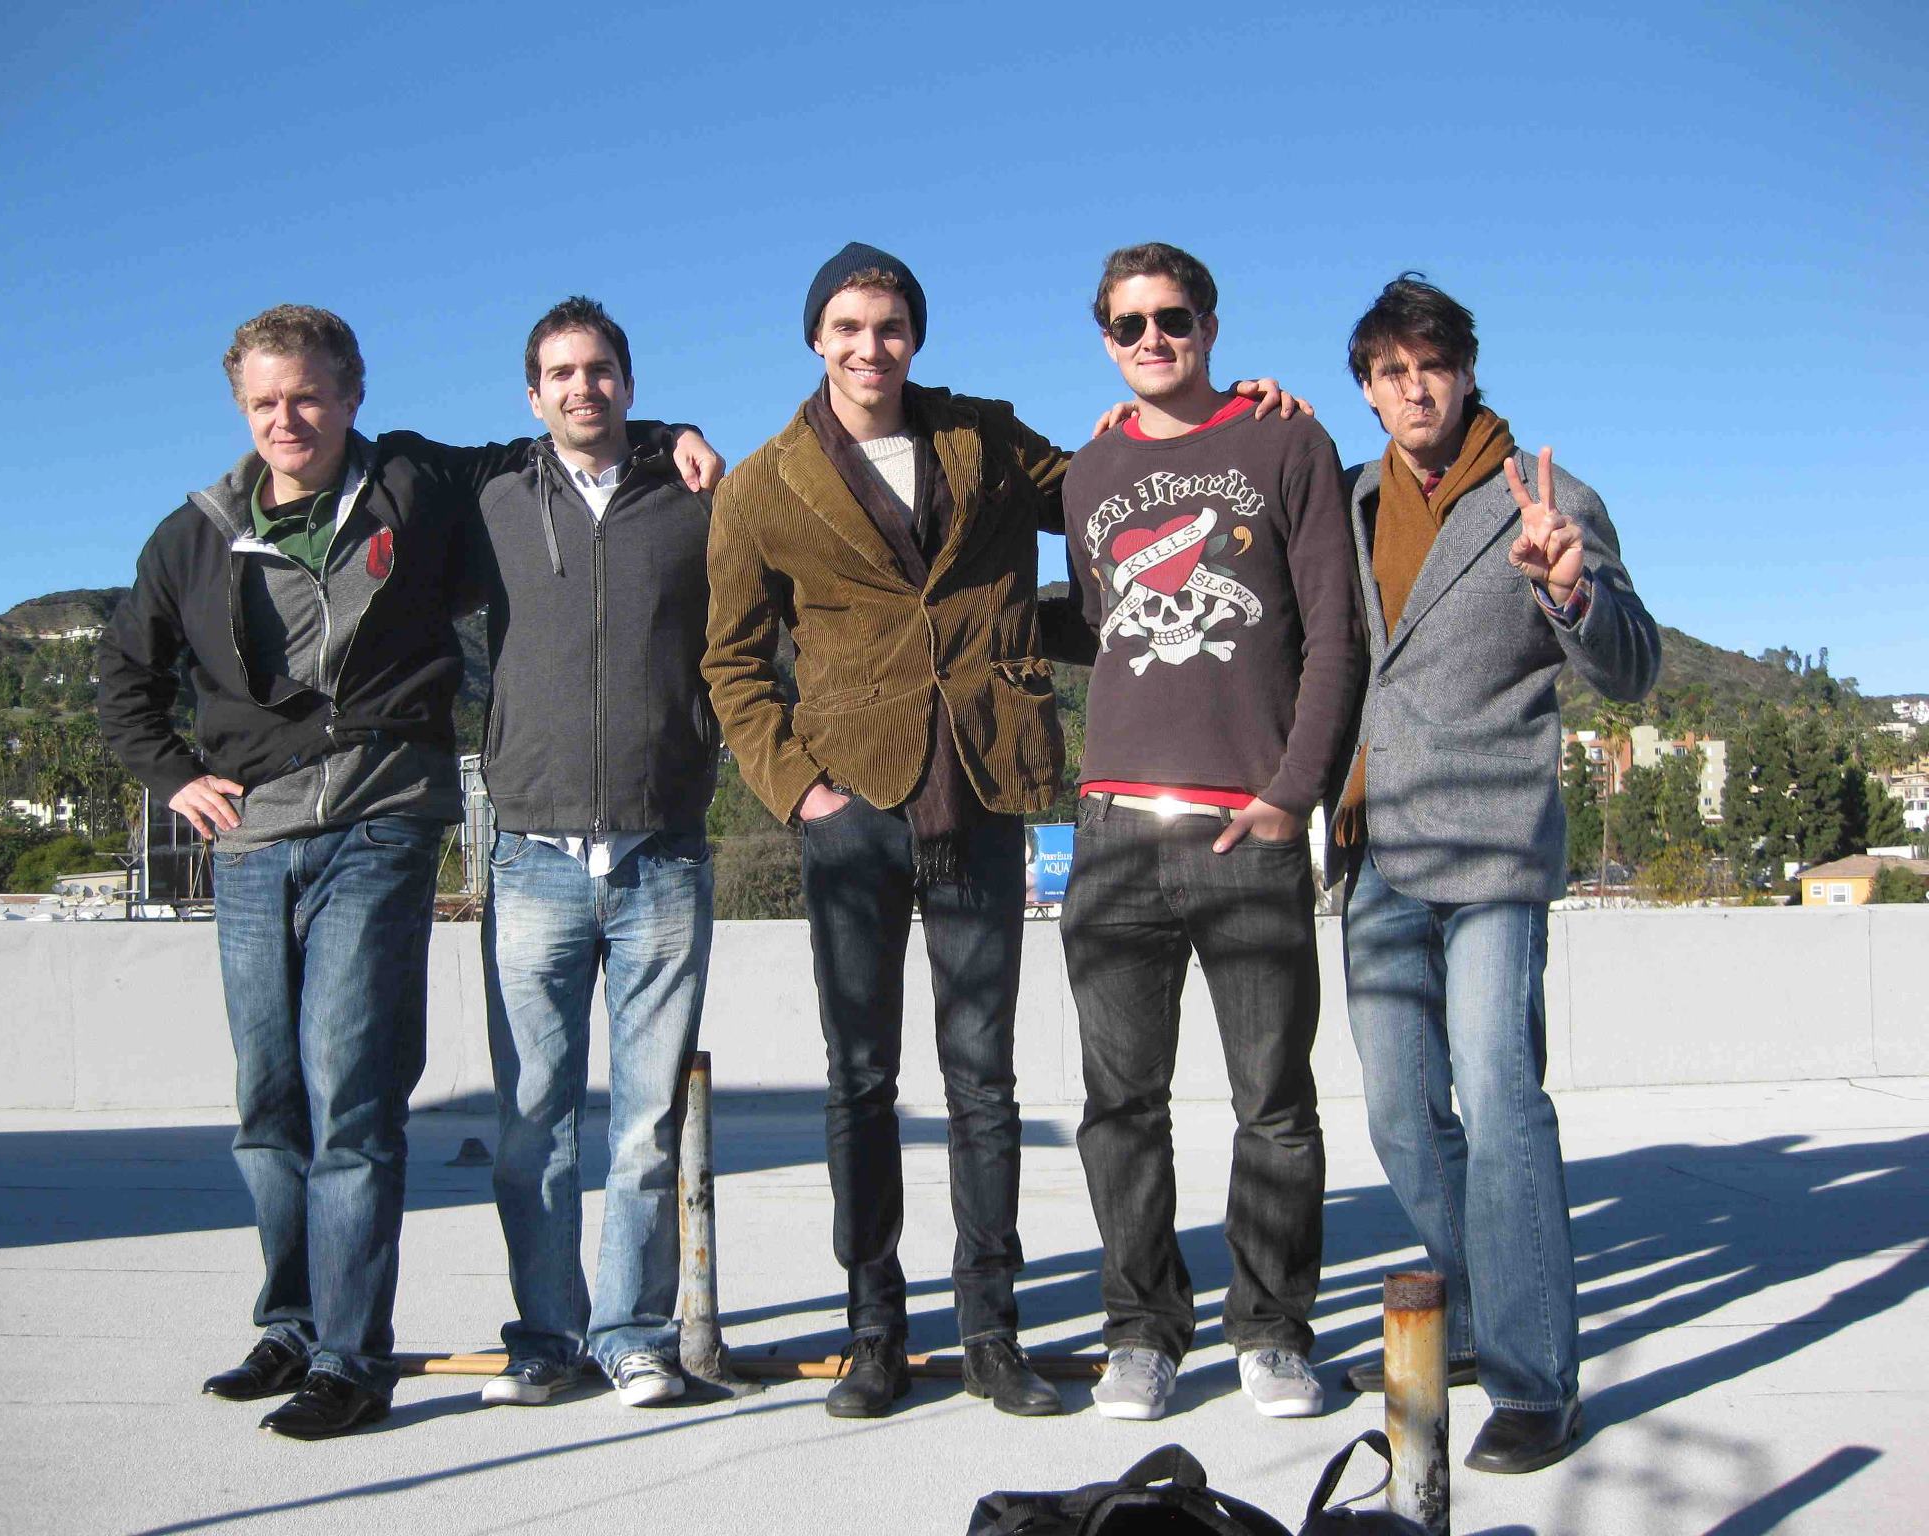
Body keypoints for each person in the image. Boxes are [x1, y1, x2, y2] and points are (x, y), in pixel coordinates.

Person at [704, 242, 1296, 1419]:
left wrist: (1238, 420)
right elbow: (730, 661)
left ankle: (990, 1333)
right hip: (852, 809)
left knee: (983, 1081)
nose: (869, 347)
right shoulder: (763, 483)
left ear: (915, 336)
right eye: (846, 328)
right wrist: (800, 795)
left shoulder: (980, 437)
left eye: (889, 326)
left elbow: (1127, 487)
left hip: (978, 791)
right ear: (815, 341)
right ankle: (875, 1330)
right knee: (859, 1082)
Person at [98, 305, 495, 1439]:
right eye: (267, 401)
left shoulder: (413, 482)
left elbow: (551, 447)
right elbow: (127, 680)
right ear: (241, 408)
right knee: (268, 1104)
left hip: (378, 821)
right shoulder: (194, 534)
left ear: (351, 394)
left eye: (309, 396)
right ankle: (290, 1321)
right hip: (253, 841)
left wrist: (671, 433)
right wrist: (176, 776)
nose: (289, 418)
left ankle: (351, 1357)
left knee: (350, 1090)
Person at [1330, 274, 1660, 1473]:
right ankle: (1467, 1316)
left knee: (1498, 1094)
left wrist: (1567, 587)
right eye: (1388, 371)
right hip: (1377, 848)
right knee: (1399, 1112)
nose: (1413, 388)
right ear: (1365, 390)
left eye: (1433, 365)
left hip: (1493, 848)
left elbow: (1631, 667)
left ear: (1465, 371)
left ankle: (1534, 1378)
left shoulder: (1548, 496)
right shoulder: (1355, 498)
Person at [1057, 243, 1363, 1423]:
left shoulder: (1288, 443)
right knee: (1116, 1108)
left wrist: (1293, 794)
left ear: (1211, 324)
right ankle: (1139, 1332)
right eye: (1128, 325)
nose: (1151, 341)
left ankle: (1272, 1331)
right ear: (1104, 340)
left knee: (1271, 1104)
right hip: (1114, 831)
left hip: (1249, 831)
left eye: (1171, 319)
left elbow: (1333, 634)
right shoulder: (1088, 474)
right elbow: (1103, 625)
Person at [463, 297, 722, 1410]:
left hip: (662, 850)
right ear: (533, 396)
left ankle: (631, 1334)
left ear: (629, 380)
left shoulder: (696, 499)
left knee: (647, 1122)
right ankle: (545, 1335)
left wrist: (677, 435)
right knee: (534, 1122)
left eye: (601, 370)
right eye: (561, 374)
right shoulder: (488, 501)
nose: (583, 388)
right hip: (532, 856)